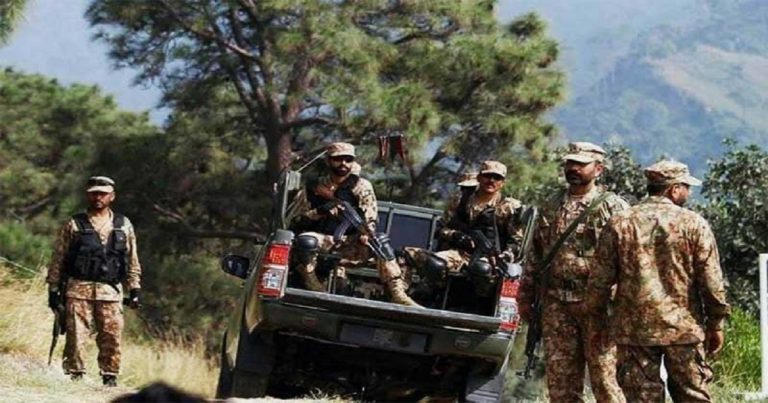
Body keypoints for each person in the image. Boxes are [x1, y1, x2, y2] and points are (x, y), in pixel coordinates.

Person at [586, 160, 730, 402]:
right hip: (684, 330)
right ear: (674, 189)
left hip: (635, 332)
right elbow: (711, 281)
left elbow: (599, 281)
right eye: (686, 187)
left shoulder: (620, 222)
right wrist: (716, 323)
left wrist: (597, 321)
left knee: (642, 398)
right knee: (692, 396)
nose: (688, 192)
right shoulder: (694, 223)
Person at [518, 142, 628, 403]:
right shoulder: (551, 204)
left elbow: (628, 259)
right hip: (556, 304)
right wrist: (525, 294)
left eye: (581, 164)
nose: (573, 168)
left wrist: (622, 303)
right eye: (570, 163)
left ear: (598, 169)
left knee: (605, 381)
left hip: (596, 305)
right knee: (561, 383)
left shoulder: (613, 208)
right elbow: (537, 253)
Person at [289, 142, 418, 305]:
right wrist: (321, 211)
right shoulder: (315, 187)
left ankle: (397, 293)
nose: (343, 163)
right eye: (338, 159)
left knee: (380, 242)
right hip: (323, 240)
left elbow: (370, 216)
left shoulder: (361, 186)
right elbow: (296, 220)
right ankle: (313, 286)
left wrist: (366, 233)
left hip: (351, 243)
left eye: (348, 159)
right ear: (329, 161)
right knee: (306, 241)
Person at [46, 176, 142, 387]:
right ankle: (75, 375)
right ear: (87, 195)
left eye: (103, 194)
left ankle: (110, 376)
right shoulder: (74, 224)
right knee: (76, 336)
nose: (98, 197)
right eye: (94, 193)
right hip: (77, 290)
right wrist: (53, 289)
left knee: (111, 336)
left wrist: (134, 288)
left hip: (110, 292)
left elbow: (132, 259)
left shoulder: (123, 225)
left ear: (112, 196)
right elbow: (59, 257)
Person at [403, 161, 525, 298]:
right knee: (434, 263)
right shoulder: (461, 200)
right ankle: (435, 296)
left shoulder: (508, 207)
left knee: (482, 269)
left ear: (502, 183)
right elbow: (441, 228)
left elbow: (516, 241)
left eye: (497, 178)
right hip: (459, 253)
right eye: (487, 176)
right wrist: (455, 236)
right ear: (479, 177)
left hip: (489, 259)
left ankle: (480, 302)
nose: (491, 181)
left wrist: (505, 256)